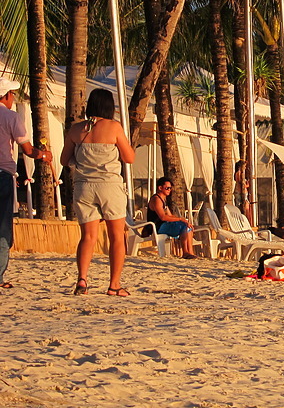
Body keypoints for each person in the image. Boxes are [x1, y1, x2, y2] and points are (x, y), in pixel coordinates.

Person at [61, 88, 134, 296]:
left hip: (84, 186)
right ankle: (114, 285)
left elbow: (64, 160)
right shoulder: (113, 127)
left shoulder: (76, 130)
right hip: (109, 185)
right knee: (116, 236)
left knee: (88, 237)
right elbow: (129, 158)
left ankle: (82, 280)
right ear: (109, 107)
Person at [0, 77, 53, 290]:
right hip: (2, 173)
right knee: (2, 227)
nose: (13, 98)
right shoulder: (11, 117)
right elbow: (28, 150)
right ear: (5, 96)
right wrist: (44, 156)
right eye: (12, 94)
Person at [147, 177, 197, 259]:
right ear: (160, 188)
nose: (169, 190)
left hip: (163, 225)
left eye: (170, 188)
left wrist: (183, 220)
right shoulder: (156, 199)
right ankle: (185, 252)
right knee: (184, 226)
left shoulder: (163, 199)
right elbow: (163, 217)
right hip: (157, 227)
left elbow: (169, 215)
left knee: (187, 226)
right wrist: (180, 219)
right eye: (167, 188)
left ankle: (190, 252)